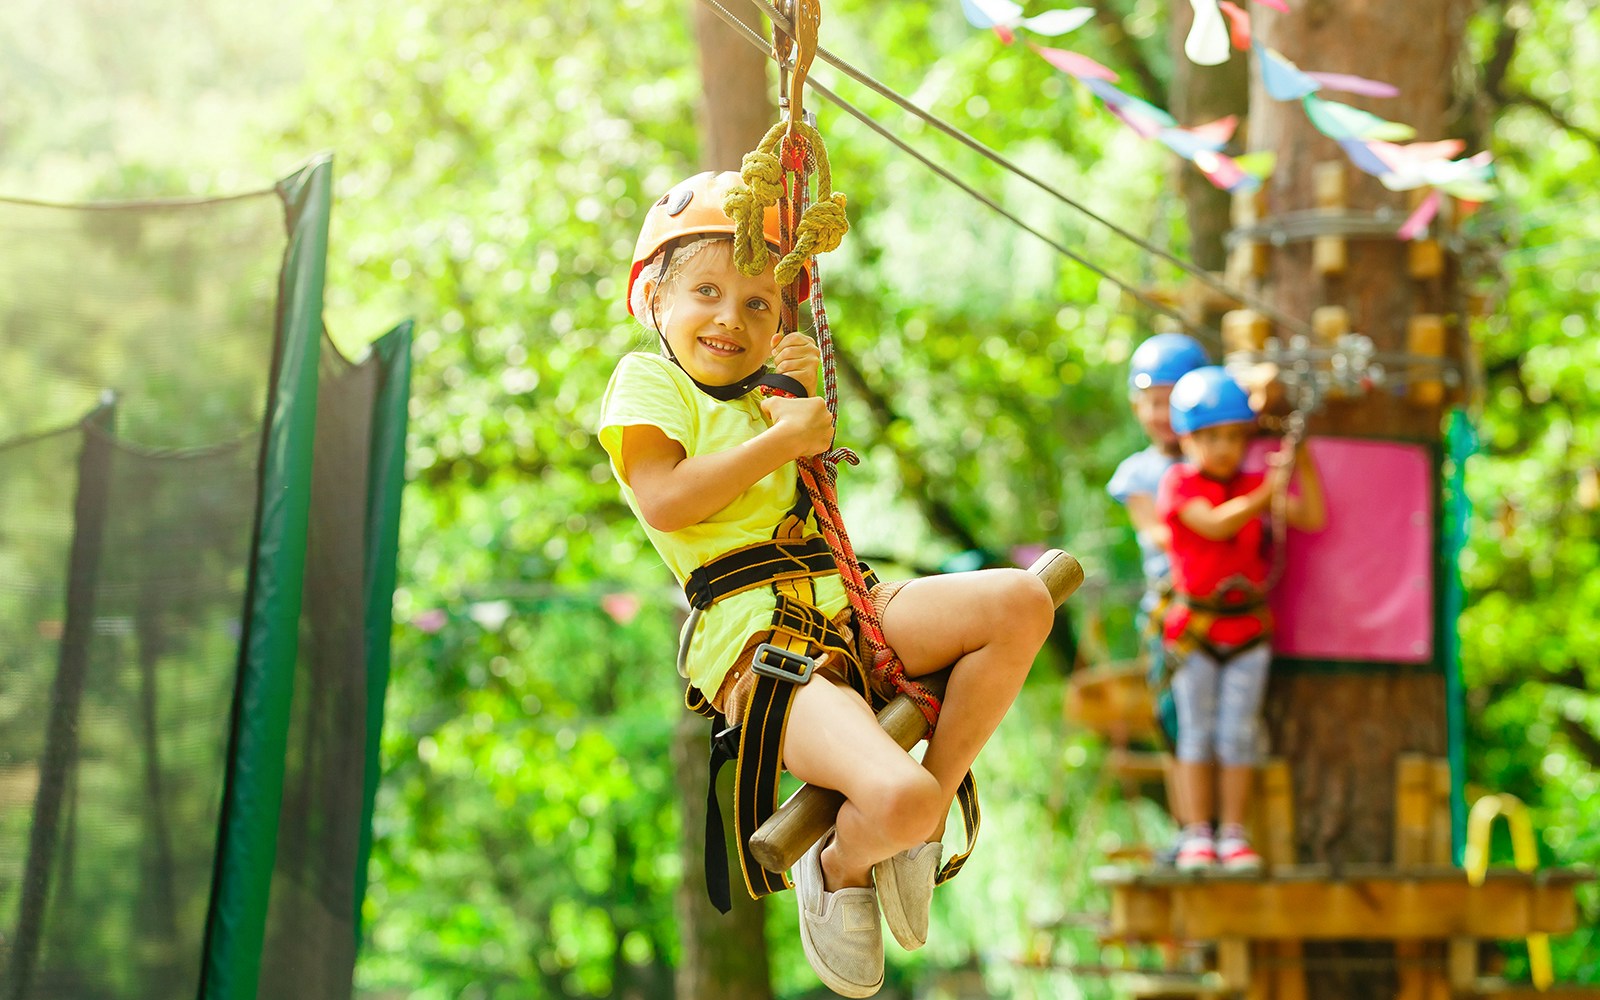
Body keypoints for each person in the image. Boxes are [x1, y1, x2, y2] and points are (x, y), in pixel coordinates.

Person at [597, 171, 1055, 998]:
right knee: (898, 797)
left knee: (1020, 600)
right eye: (705, 292)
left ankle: (922, 819)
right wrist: (786, 436)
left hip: (847, 601)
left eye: (760, 305)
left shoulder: (771, 401)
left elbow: (807, 496)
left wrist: (795, 406)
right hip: (759, 644)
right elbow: (665, 499)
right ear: (653, 301)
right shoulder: (647, 380)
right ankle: (841, 867)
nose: (731, 318)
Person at [1156, 366, 1325, 871]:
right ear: (1187, 439)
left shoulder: (1254, 483)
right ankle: (1196, 834)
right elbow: (1215, 523)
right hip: (1196, 632)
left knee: (1237, 733)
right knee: (1196, 732)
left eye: (1233, 436)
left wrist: (1302, 461)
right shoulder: (1179, 485)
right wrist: (1267, 490)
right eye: (1210, 437)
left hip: (1248, 632)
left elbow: (1311, 516)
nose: (1224, 448)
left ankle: (1233, 832)